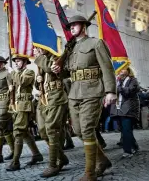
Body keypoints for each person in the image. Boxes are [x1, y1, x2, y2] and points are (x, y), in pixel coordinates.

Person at [51, 15, 117, 181]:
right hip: (74, 93)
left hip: (93, 90)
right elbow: (69, 72)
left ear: (84, 26)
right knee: (79, 131)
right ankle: (102, 161)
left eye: (75, 25)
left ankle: (90, 173)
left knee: (87, 129)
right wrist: (58, 70)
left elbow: (107, 68)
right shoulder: (70, 49)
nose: (71, 28)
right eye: (70, 26)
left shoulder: (96, 43)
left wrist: (110, 91)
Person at [34, 47, 69, 177]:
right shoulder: (41, 60)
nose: (37, 49)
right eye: (37, 47)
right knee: (43, 132)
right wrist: (37, 81)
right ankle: (62, 157)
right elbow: (39, 84)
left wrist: (38, 58)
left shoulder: (56, 57)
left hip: (56, 97)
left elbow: (51, 68)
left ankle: (53, 165)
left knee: (52, 130)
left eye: (40, 46)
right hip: (44, 98)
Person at [6, 54, 43, 171]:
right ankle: (37, 155)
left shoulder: (29, 72)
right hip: (16, 104)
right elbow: (11, 87)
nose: (16, 63)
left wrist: (13, 72)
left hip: (24, 104)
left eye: (18, 61)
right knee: (25, 132)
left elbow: (22, 82)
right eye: (15, 61)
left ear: (25, 62)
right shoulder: (16, 73)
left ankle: (15, 162)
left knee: (18, 131)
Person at [110, 67, 140, 157]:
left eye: (124, 69)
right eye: (120, 69)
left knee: (126, 128)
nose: (121, 70)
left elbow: (128, 92)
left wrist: (118, 86)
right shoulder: (116, 80)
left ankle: (127, 151)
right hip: (118, 107)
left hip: (129, 107)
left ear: (128, 71)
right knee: (124, 129)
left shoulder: (133, 80)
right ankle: (134, 146)